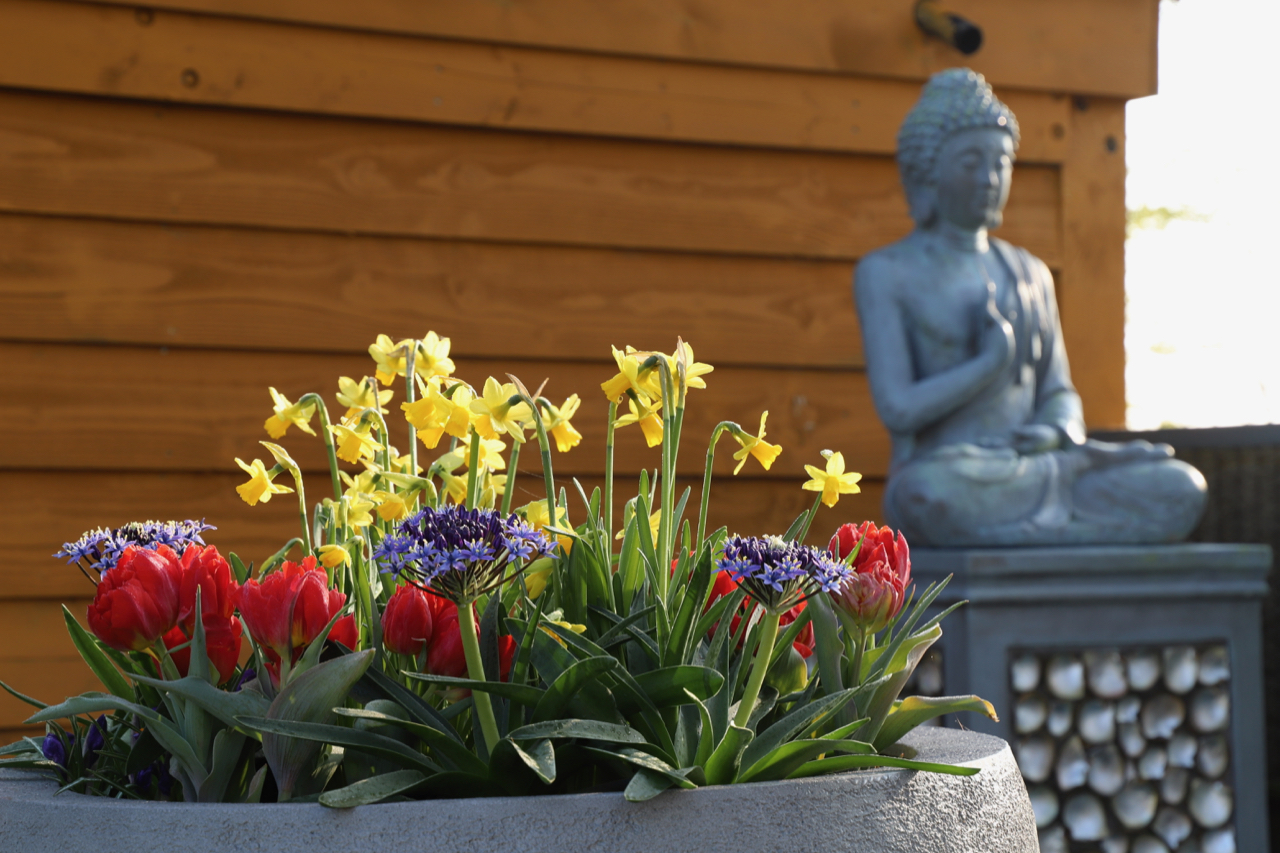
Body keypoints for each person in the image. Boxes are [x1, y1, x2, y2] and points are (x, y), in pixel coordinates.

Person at [855, 69, 1205, 546]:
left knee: (1179, 486)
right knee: (926, 495)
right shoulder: (888, 272)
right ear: (928, 173)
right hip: (956, 470)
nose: (989, 178)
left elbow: (1059, 391)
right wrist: (986, 366)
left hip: (1043, 466)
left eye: (1001, 162)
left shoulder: (1029, 272)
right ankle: (1065, 535)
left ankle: (1045, 537)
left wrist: (1054, 428)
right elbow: (898, 409)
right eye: (970, 162)